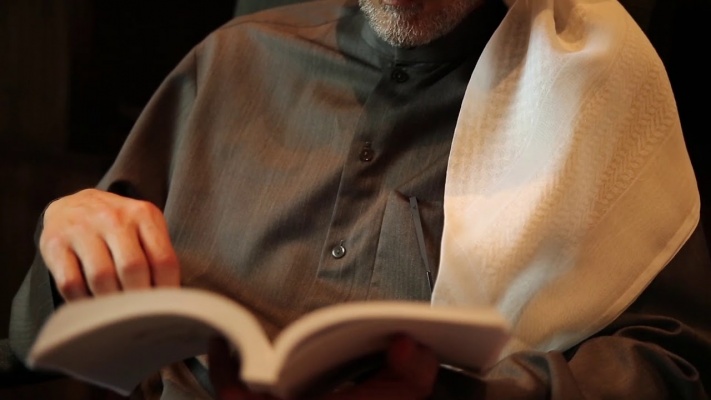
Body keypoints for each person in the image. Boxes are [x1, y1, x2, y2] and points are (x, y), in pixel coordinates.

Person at [9, 0, 711, 399]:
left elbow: (674, 367)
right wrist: (67, 244)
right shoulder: (229, 64)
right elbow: (32, 342)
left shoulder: (594, 98)